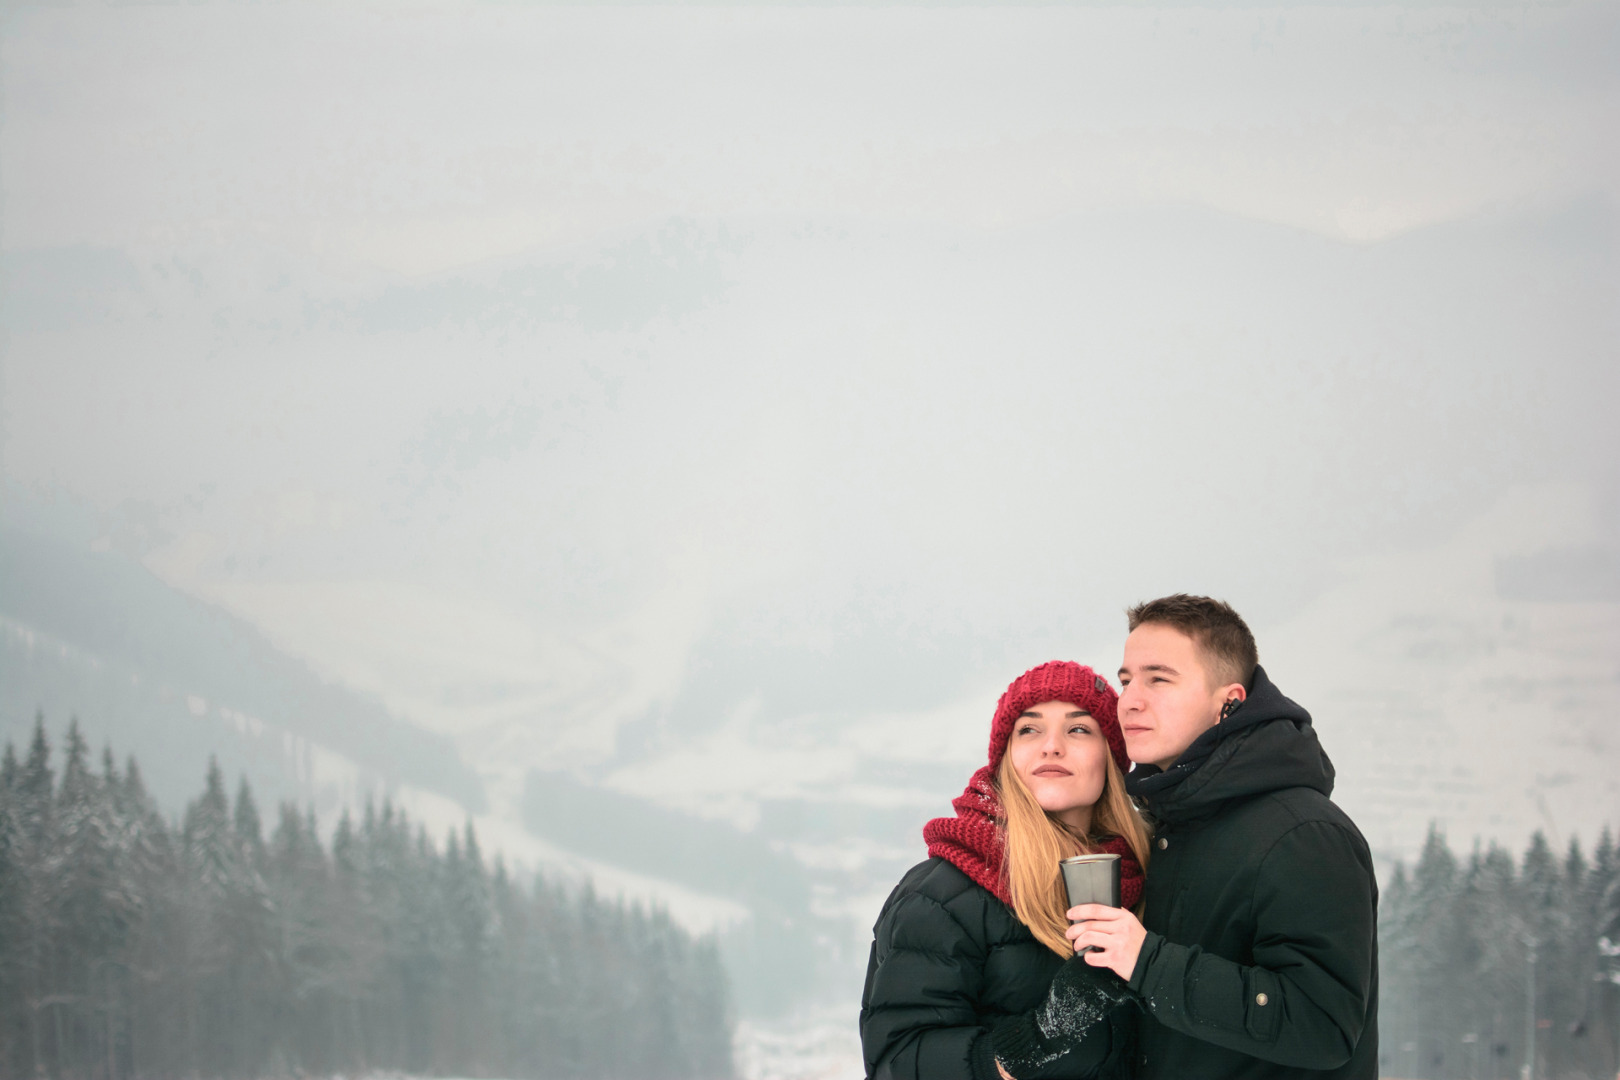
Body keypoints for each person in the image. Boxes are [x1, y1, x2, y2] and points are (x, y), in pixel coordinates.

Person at [1066, 594, 1378, 1079]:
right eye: (1126, 679)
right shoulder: (1168, 827)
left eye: (1159, 678)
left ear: (1229, 703)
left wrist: (1148, 962)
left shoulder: (1304, 834)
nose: (1130, 699)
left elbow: (1324, 1026)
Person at [860, 661, 1153, 1080]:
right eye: (1029, 729)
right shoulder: (942, 895)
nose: (1051, 746)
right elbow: (898, 1063)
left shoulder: (1148, 879)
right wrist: (1040, 1036)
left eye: (1078, 729)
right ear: (1005, 758)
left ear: (1111, 757)